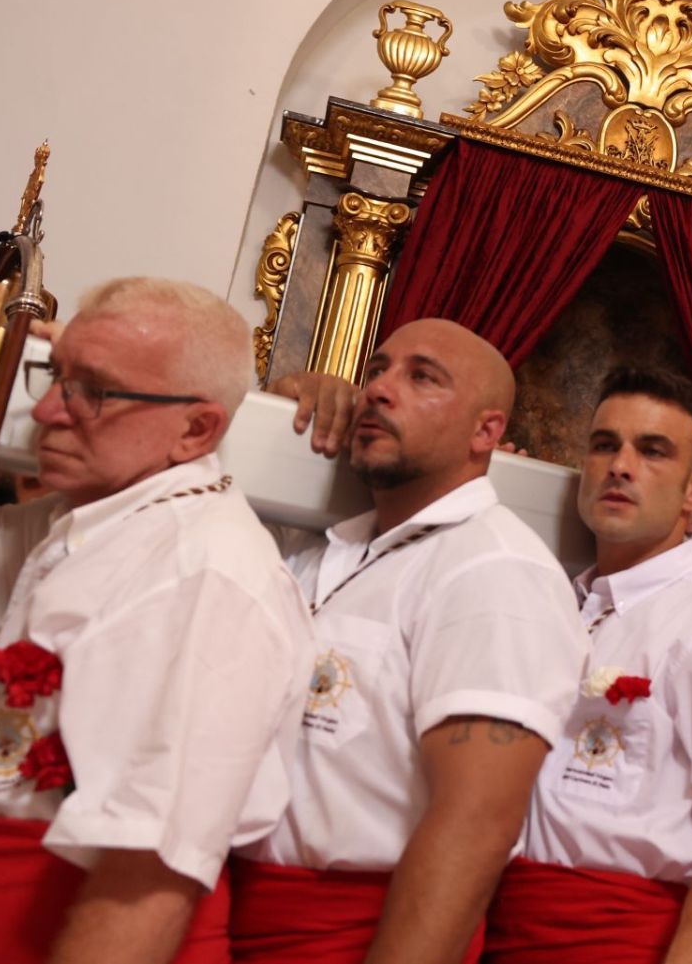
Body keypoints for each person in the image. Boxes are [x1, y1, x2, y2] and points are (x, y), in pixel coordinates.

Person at [0, 278, 314, 964]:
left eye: (92, 390)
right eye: (55, 375)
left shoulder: (204, 569)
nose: (44, 410)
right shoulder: (87, 514)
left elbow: (149, 868)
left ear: (195, 428)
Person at [232, 320, 586, 963]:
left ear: (486, 431)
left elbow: (474, 825)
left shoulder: (497, 571)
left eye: (422, 377)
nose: (379, 391)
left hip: (357, 931)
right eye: (377, 369)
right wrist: (280, 404)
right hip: (240, 910)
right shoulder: (330, 547)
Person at [483, 368, 692, 962]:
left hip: (621, 936)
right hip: (497, 922)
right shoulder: (550, 603)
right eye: (604, 445)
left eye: (652, 451)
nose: (620, 466)